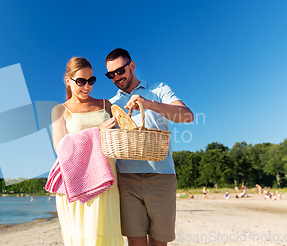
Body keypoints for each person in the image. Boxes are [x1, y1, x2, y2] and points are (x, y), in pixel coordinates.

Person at [105, 48, 194, 246]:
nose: (116, 77)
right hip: (126, 180)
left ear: (132, 66)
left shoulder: (159, 89)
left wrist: (149, 104)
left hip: (161, 176)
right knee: (135, 243)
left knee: (159, 242)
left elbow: (187, 116)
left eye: (120, 70)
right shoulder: (111, 104)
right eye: (111, 74)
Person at [51, 57, 123, 245]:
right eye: (80, 81)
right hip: (76, 185)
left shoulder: (106, 105)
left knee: (105, 236)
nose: (87, 86)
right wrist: (97, 132)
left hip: (106, 182)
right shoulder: (60, 110)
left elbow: (121, 137)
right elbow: (61, 148)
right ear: (68, 81)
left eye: (91, 81)